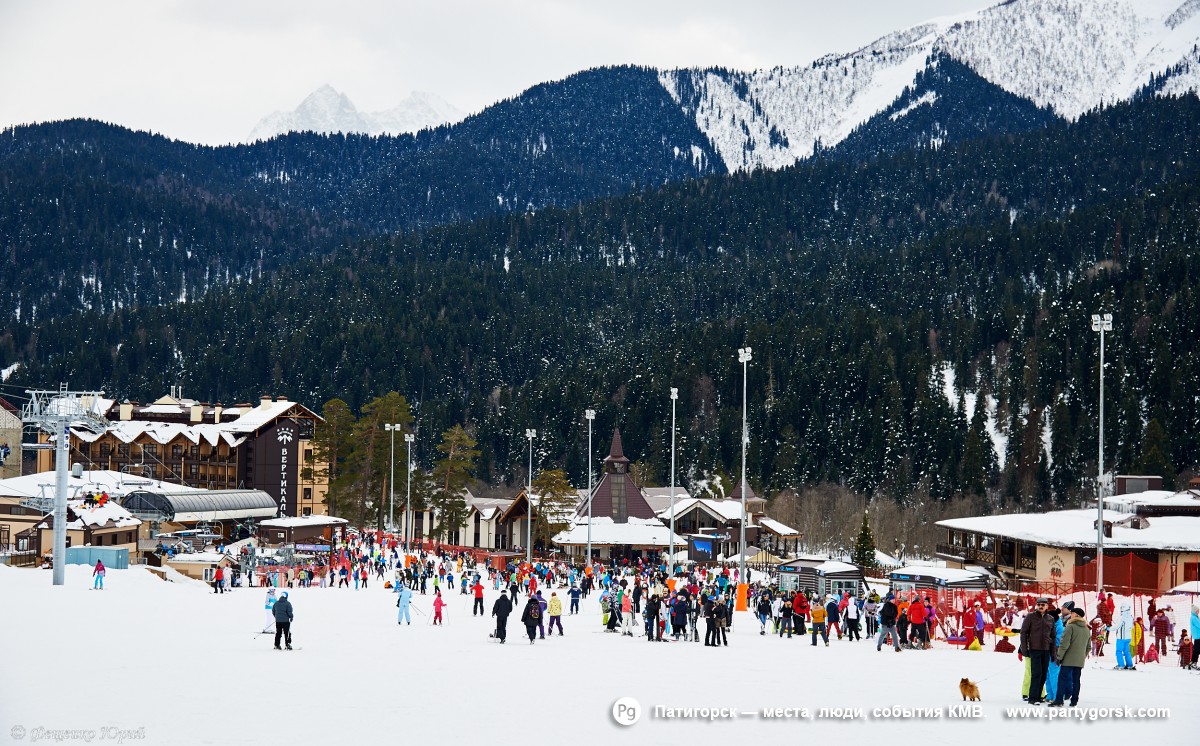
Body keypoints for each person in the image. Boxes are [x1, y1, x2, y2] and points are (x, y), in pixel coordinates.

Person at [1050, 606, 1089, 707]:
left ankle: (1059, 700)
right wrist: (1082, 656)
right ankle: (1074, 701)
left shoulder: (1070, 626)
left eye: (1072, 613)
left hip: (1068, 659)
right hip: (1079, 660)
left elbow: (1064, 644)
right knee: (1076, 680)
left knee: (1062, 678)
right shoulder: (1086, 629)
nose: (1070, 615)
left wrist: (1059, 657)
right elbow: (1088, 647)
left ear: (1075, 615)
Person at [1019, 598, 1054, 705]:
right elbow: (1023, 633)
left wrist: (1053, 652)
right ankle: (1033, 698)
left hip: (1046, 649)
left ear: (1047, 606)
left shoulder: (1050, 618)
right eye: (1038, 604)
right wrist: (1024, 649)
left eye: (1043, 604)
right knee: (1036, 673)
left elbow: (1052, 635)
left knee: (1043, 674)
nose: (1040, 606)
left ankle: (1039, 696)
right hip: (1034, 649)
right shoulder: (1031, 617)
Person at [1114, 602, 1135, 670]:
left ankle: (1121, 665)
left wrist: (1108, 628)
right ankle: (1130, 665)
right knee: (1127, 651)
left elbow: (1117, 626)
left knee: (1119, 651)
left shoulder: (1122, 617)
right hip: (1128, 637)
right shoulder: (1131, 616)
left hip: (1121, 637)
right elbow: (1132, 626)